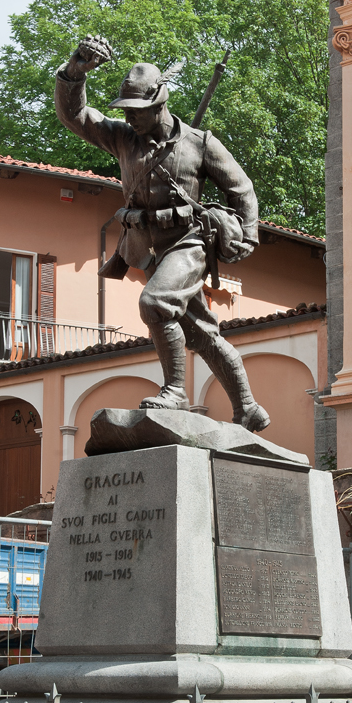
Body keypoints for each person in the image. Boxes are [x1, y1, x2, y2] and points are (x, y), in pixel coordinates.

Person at [54, 35, 270, 431]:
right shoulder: (122, 137)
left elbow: (242, 190)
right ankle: (248, 408)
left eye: (139, 109)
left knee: (154, 304)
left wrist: (247, 236)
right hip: (146, 246)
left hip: (188, 243)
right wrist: (75, 71)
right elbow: (76, 116)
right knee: (200, 332)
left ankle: (175, 391)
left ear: (159, 103)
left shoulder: (200, 143)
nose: (131, 116)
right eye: (127, 110)